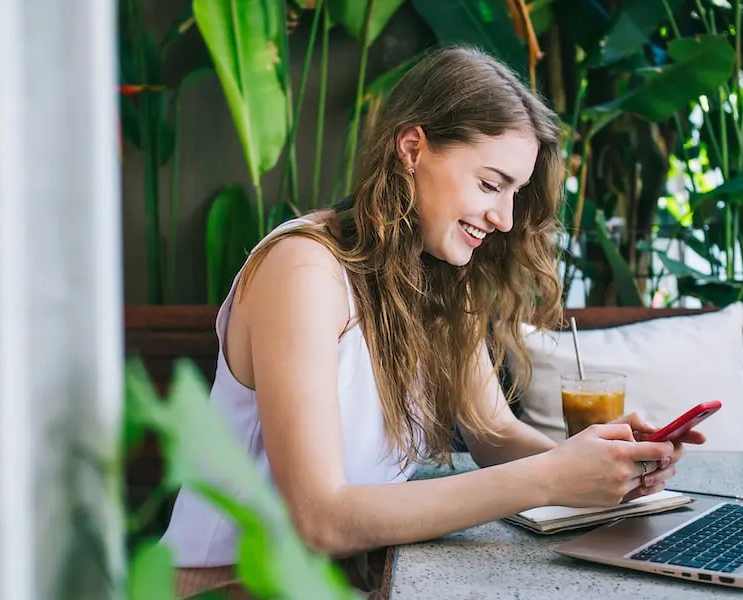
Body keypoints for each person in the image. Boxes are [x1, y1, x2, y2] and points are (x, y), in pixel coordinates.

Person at [159, 45, 705, 598]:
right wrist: (550, 478)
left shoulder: (441, 275)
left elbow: (493, 433)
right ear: (413, 148)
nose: (506, 218)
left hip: (348, 580)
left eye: (515, 193)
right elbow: (320, 518)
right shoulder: (304, 269)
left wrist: (607, 471)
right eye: (491, 185)